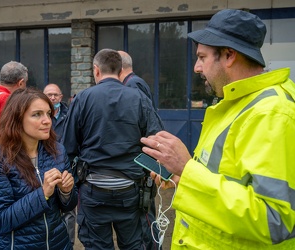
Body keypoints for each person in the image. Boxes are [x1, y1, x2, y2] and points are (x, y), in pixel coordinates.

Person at [140, 9, 295, 249]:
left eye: (202, 57)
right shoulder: (234, 104)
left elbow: (274, 219)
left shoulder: (271, 113)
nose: (196, 68)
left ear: (229, 55)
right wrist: (182, 178)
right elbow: (224, 177)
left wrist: (187, 169)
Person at [62, 48, 164, 250]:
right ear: (120, 71)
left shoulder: (82, 99)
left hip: (93, 192)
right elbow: (157, 140)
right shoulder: (139, 99)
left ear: (96, 70)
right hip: (130, 191)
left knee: (98, 245)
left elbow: (68, 146)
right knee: (134, 244)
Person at [0, 87, 78, 250]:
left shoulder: (57, 151)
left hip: (58, 243)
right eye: (37, 114)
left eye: (48, 114)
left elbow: (68, 206)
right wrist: (42, 194)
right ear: (17, 119)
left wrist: (66, 191)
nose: (47, 121)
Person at [118, 50, 160, 249]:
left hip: (142, 163)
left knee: (146, 217)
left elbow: (147, 124)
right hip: (141, 160)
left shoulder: (133, 85)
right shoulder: (134, 83)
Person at [43, 83, 76, 245]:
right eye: (49, 95)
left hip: (65, 167)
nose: (53, 98)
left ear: (61, 97)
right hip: (44, 167)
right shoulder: (41, 117)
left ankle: (68, 243)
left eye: (55, 95)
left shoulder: (69, 115)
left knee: (68, 209)